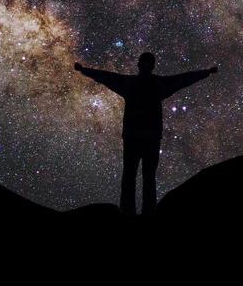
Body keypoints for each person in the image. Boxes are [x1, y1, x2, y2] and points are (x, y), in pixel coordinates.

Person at [73, 52, 217, 215]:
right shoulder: (157, 84)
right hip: (148, 138)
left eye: (146, 63)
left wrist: (84, 70)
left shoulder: (135, 84)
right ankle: (144, 212)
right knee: (142, 178)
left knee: (133, 177)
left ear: (140, 65)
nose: (146, 66)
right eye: (146, 63)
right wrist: (206, 73)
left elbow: (107, 77)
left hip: (137, 137)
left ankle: (131, 211)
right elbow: (182, 80)